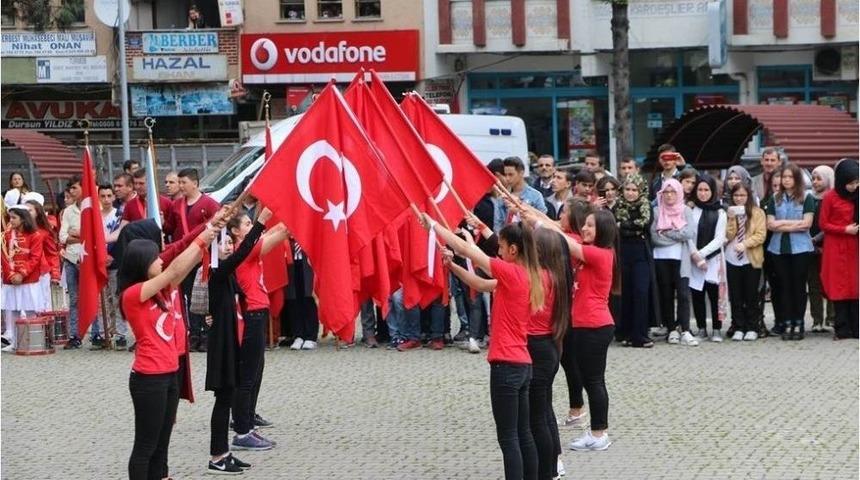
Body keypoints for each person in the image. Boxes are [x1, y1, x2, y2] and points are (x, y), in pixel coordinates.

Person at [424, 216, 542, 480]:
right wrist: (452, 265)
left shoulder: (512, 273)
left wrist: (433, 226)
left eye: (500, 247)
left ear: (513, 250)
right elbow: (478, 283)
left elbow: (472, 254)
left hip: (506, 365)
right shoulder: (525, 276)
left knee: (509, 438)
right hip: (522, 364)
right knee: (523, 435)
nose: (498, 251)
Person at [118, 222, 217, 479]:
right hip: (148, 378)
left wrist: (206, 239)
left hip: (170, 373)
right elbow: (173, 269)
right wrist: (201, 237)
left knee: (162, 443)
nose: (160, 261)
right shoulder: (132, 294)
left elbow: (182, 266)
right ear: (142, 263)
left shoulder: (163, 290)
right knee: (146, 445)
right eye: (155, 258)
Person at [524, 208, 619, 452]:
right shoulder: (586, 247)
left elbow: (561, 238)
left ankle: (599, 433)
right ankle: (596, 431)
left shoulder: (601, 254)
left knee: (594, 381)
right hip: (583, 326)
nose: (585, 229)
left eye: (591, 225)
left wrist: (537, 223)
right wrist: (529, 212)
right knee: (589, 379)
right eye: (585, 224)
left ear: (604, 231)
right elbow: (559, 231)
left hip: (595, 326)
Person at [205, 214, 268, 473]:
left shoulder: (226, 275)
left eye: (230, 242)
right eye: (223, 243)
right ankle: (217, 456)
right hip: (222, 347)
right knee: (222, 402)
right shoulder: (217, 272)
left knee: (226, 398)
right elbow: (242, 254)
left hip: (232, 340)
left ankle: (223, 453)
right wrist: (261, 223)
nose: (229, 246)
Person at [226, 210, 289, 451]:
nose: (251, 226)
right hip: (251, 312)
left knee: (256, 370)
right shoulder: (244, 249)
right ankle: (243, 429)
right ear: (235, 231)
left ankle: (247, 417)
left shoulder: (247, 246)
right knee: (248, 375)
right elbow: (281, 233)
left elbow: (275, 231)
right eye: (246, 223)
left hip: (257, 311)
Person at [525, 228, 571, 480]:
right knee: (544, 410)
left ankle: (546, 470)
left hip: (537, 348)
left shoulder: (539, 277)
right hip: (549, 347)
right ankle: (553, 464)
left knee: (537, 417)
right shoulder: (556, 275)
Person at [163, 168, 221, 351]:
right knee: (187, 295)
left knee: (203, 295)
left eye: (184, 182)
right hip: (183, 257)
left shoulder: (210, 204)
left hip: (203, 256)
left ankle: (205, 332)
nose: (180, 186)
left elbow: (218, 226)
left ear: (195, 183)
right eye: (178, 183)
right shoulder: (176, 205)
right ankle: (193, 332)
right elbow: (170, 228)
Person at [765, 163, 815, 340]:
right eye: (783, 177)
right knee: (784, 287)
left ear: (796, 179)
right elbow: (770, 224)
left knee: (799, 287)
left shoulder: (806, 198)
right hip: (778, 249)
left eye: (789, 177)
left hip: (801, 249)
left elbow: (807, 224)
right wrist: (793, 224)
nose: (786, 180)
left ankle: (798, 323)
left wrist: (782, 224)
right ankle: (787, 323)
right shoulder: (774, 198)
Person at [651, 179, 698, 346]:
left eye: (673, 192)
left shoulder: (685, 211)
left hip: (681, 259)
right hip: (661, 258)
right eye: (666, 192)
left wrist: (667, 232)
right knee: (666, 295)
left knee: (684, 294)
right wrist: (675, 234)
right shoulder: (656, 211)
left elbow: (689, 233)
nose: (669, 195)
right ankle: (671, 328)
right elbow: (655, 237)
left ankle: (685, 329)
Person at [819, 159, 859, 340]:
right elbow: (823, 224)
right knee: (839, 287)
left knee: (855, 286)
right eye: (851, 183)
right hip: (836, 246)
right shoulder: (830, 197)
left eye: (857, 182)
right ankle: (842, 328)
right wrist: (845, 229)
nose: (854, 186)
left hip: (855, 247)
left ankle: (856, 327)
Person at [615, 174, 653, 348]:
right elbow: (617, 228)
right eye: (627, 189)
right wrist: (630, 228)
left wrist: (624, 226)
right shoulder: (618, 206)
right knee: (627, 293)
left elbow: (644, 224)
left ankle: (640, 335)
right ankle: (627, 333)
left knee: (641, 292)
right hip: (623, 253)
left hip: (641, 254)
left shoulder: (646, 205)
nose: (630, 193)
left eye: (634, 190)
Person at [724, 183, 767, 341]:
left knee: (751, 294)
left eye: (742, 195)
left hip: (750, 258)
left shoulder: (758, 213)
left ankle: (752, 327)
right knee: (735, 295)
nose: (739, 198)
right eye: (736, 196)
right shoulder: (730, 212)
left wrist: (745, 244)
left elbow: (761, 235)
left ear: (748, 196)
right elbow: (729, 236)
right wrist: (731, 219)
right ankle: (738, 326)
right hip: (732, 258)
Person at [687, 175, 727, 342]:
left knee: (714, 294)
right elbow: (688, 234)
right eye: (700, 190)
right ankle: (701, 328)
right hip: (693, 258)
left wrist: (702, 254)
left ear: (713, 191)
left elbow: (719, 238)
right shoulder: (690, 210)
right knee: (697, 294)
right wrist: (695, 255)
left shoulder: (720, 212)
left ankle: (717, 329)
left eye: (706, 190)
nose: (703, 194)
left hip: (714, 259)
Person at [1, 206, 44, 352]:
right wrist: (12, 275)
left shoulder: (35, 235)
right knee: (14, 310)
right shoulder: (5, 236)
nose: (10, 220)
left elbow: (35, 257)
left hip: (28, 279)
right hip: (11, 279)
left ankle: (31, 340)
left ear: (23, 218)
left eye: (14, 218)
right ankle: (15, 341)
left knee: (30, 308)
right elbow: (4, 257)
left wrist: (22, 273)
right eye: (10, 217)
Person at [808, 165, 836, 332]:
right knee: (813, 285)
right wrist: (809, 242)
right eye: (813, 178)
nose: (815, 182)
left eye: (819, 178)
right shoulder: (808, 198)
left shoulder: (833, 198)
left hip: (828, 247)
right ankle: (816, 319)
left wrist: (817, 240)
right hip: (809, 248)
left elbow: (830, 224)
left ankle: (831, 317)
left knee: (830, 282)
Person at [59, 175, 86, 349]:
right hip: (71, 258)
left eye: (75, 188)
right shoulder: (68, 211)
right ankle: (75, 334)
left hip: (87, 259)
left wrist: (79, 234)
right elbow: (62, 236)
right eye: (71, 189)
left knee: (92, 296)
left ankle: (96, 332)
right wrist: (78, 237)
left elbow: (94, 237)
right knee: (74, 298)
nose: (72, 191)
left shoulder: (93, 208)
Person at [24, 199, 60, 313]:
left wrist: (55, 273)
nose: (27, 213)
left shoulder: (44, 232)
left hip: (41, 274)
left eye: (30, 210)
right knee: (25, 307)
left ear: (38, 212)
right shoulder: (17, 232)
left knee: (42, 306)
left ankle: (46, 330)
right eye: (25, 210)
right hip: (23, 274)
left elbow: (52, 254)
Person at [285, 240, 319, 351]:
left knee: (308, 299)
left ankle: (311, 336)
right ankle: (298, 334)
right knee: (294, 300)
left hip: (307, 263)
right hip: (291, 264)